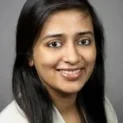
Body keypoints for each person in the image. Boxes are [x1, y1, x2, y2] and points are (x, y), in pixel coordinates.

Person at [0, 0, 118, 123]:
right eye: (54, 44)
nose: (73, 58)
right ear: (29, 55)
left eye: (83, 41)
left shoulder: (103, 106)